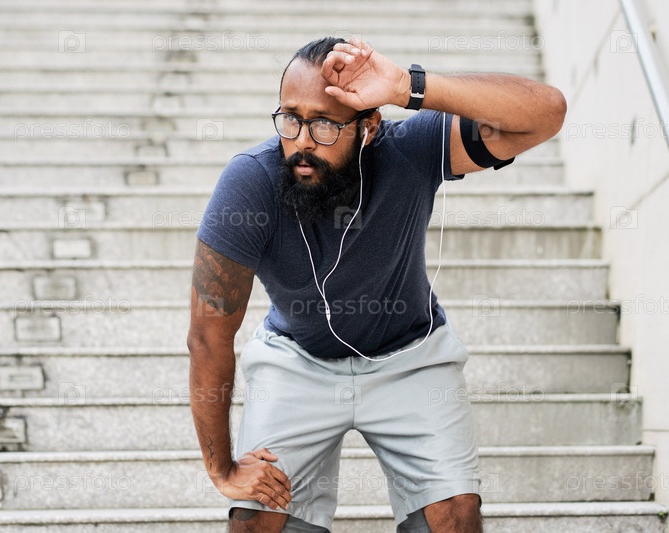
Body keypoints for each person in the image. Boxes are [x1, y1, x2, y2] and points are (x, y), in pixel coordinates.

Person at [186, 36, 566, 533]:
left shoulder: (410, 151)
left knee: (454, 515)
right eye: (291, 118)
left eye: (325, 123)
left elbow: (546, 113)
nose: (303, 141)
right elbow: (208, 335)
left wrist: (409, 86)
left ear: (368, 127)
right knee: (256, 519)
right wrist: (222, 470)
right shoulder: (250, 182)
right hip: (296, 360)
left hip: (410, 358)